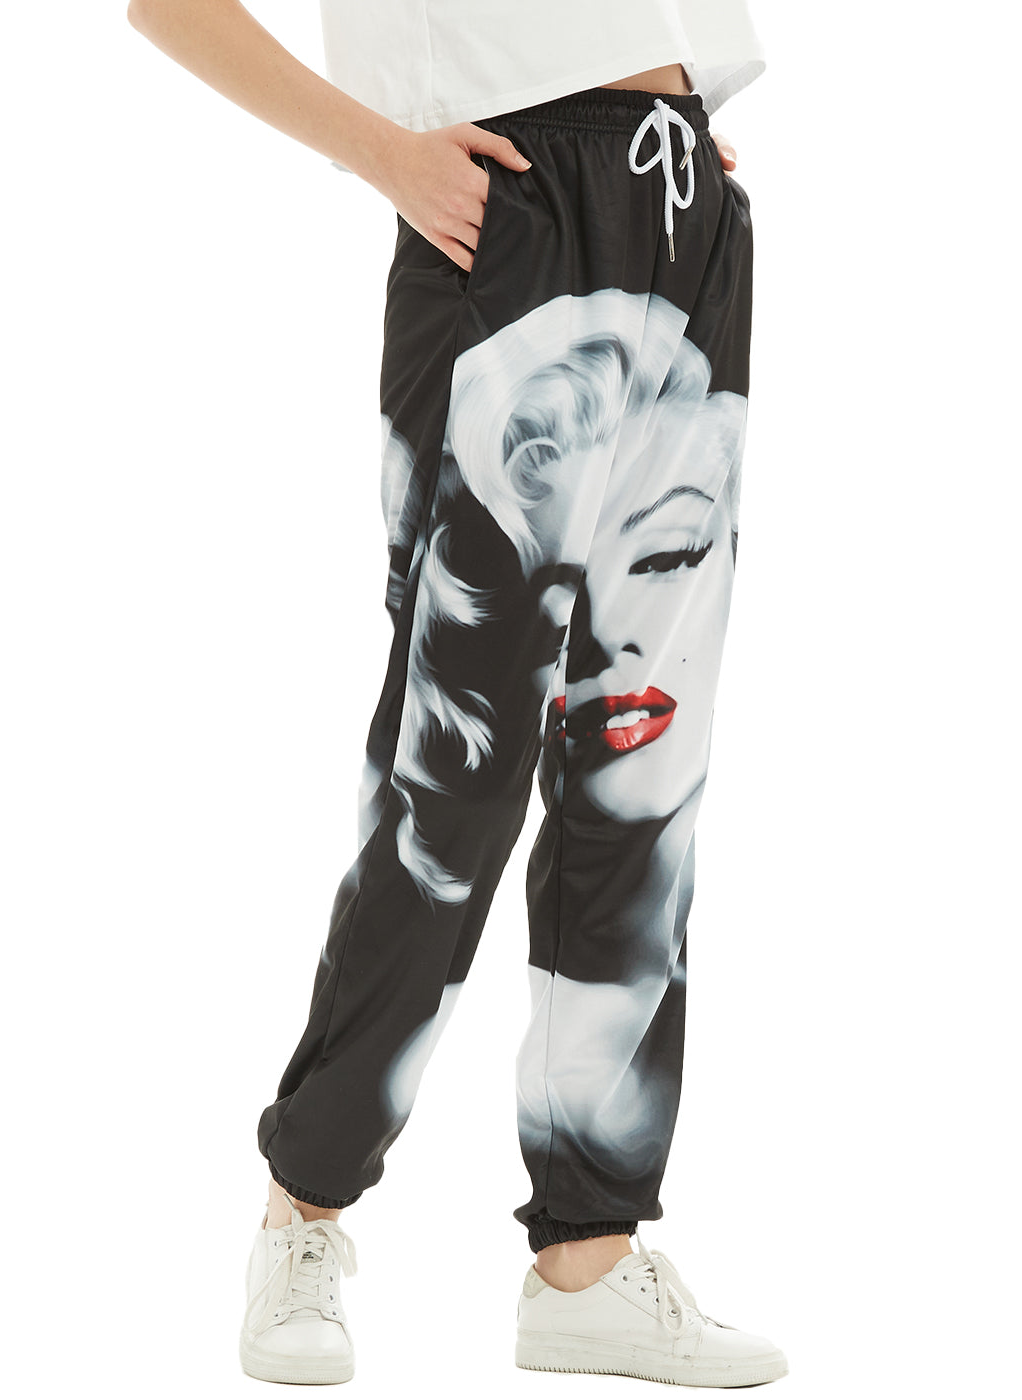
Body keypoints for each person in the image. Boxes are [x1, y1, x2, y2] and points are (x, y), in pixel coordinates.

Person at [127, 0, 788, 1388]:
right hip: (510, 212)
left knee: (642, 772)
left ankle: (588, 1260)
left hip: (687, 200)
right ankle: (303, 1211)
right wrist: (381, 151)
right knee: (455, 773)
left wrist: (671, 143)